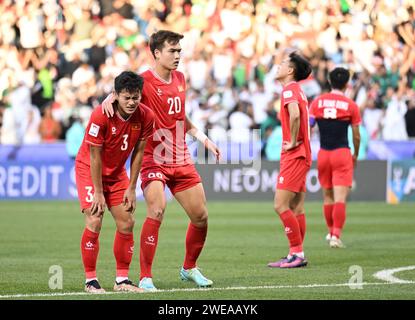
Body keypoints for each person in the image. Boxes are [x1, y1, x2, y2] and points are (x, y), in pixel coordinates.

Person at [102, 30, 220, 291]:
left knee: (201, 217)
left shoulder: (180, 78)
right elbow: (121, 96)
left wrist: (202, 138)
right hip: (153, 159)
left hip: (180, 156)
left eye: (179, 50)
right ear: (156, 53)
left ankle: (189, 267)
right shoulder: (143, 81)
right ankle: (145, 278)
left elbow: (180, 116)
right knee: (156, 210)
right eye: (172, 50)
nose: (178, 55)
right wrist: (109, 98)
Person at [75, 71, 155, 293]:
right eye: (126, 97)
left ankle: (122, 281)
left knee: (127, 222)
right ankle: (90, 281)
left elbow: (139, 153)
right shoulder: (101, 115)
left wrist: (132, 187)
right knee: (95, 218)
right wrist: (99, 193)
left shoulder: (146, 117)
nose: (131, 102)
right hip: (90, 169)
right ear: (116, 95)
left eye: (135, 97)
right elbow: (94, 155)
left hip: (118, 172)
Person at [268, 51, 312, 269]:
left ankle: (297, 253)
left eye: (283, 62)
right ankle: (296, 252)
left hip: (295, 154)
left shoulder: (289, 91)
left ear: (291, 70)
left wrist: (293, 140)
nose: (279, 65)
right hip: (303, 153)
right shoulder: (299, 91)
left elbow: (294, 115)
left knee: (280, 205)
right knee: (297, 207)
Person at [309, 67, 361, 248]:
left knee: (327, 197)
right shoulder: (351, 105)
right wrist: (356, 153)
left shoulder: (317, 102)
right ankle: (336, 236)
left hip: (323, 153)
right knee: (340, 198)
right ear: (347, 84)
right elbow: (356, 134)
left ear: (330, 82)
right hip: (341, 153)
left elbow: (309, 126)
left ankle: (330, 231)